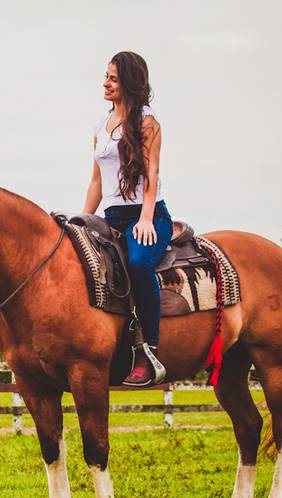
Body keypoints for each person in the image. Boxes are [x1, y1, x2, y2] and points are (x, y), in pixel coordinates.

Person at [83, 51, 172, 386]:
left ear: (130, 83)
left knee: (138, 263)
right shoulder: (100, 127)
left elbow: (152, 174)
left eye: (113, 78)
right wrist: (82, 218)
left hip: (147, 215)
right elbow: (96, 180)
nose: (106, 83)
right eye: (106, 76)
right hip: (111, 215)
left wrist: (146, 218)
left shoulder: (147, 122)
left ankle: (148, 350)